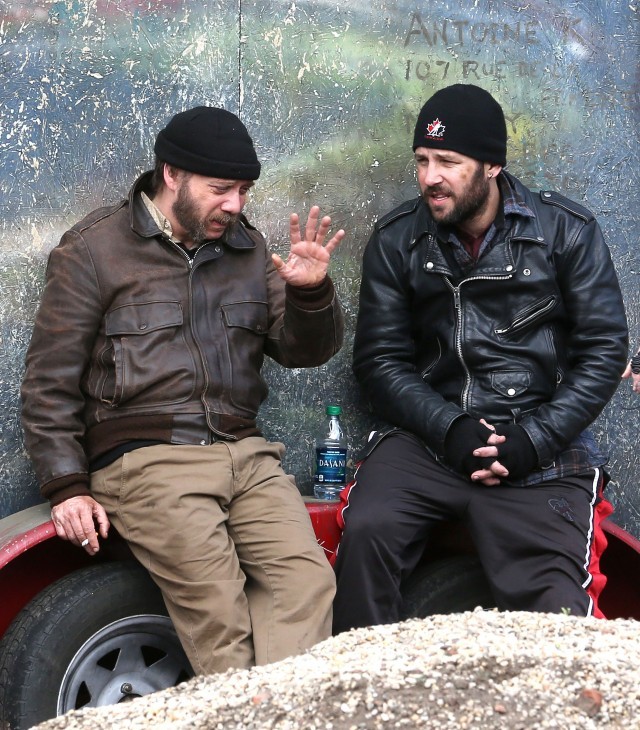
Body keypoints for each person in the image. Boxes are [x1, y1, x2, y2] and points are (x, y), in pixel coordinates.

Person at [21, 106, 345, 674]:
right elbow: (48, 382)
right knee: (218, 612)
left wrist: (311, 293)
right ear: (172, 175)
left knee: (307, 582)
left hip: (245, 453)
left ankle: (275, 714)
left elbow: (303, 351)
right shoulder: (94, 251)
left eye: (244, 190)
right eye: (221, 189)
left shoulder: (249, 250)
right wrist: (66, 486)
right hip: (147, 460)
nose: (236, 205)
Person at [332, 84, 628, 632]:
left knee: (558, 612)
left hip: (540, 440)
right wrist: (450, 428)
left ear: (492, 165)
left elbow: (605, 350)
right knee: (367, 534)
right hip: (430, 436)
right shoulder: (398, 239)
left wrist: (532, 441)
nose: (429, 178)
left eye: (449, 161)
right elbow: (379, 362)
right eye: (422, 160)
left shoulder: (565, 231)